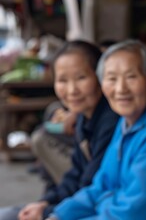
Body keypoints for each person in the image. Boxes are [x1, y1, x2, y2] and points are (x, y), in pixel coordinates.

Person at [48, 39, 146, 220]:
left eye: (131, 77)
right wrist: (59, 215)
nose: (121, 89)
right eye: (111, 78)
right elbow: (101, 185)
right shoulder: (129, 121)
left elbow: (133, 214)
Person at [12, 40, 119, 220]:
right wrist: (46, 202)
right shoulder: (84, 119)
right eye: (62, 80)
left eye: (81, 78)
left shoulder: (111, 121)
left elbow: (91, 184)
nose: (71, 90)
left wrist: (49, 211)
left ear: (101, 77)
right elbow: (75, 173)